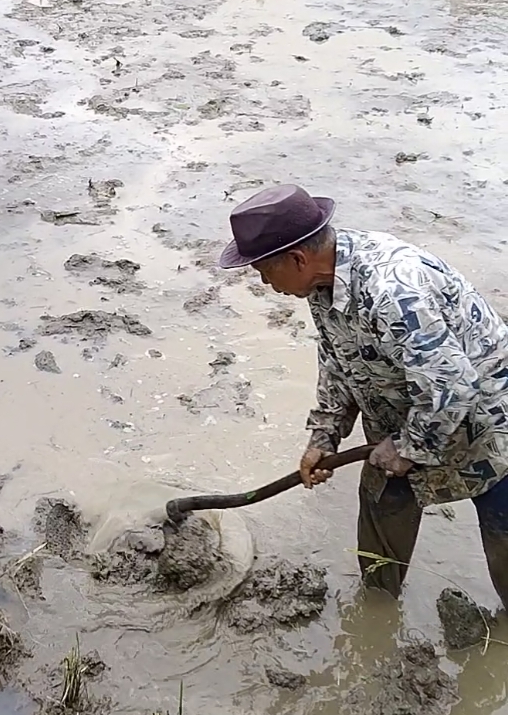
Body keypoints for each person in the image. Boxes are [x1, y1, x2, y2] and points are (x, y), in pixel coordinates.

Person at [218, 183, 508, 608]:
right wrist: (324, 435)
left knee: (503, 523)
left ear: (297, 258)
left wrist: (409, 447)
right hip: (405, 413)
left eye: (264, 271)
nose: (264, 282)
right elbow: (338, 360)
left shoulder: (395, 291)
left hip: (485, 416)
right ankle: (375, 611)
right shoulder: (321, 282)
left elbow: (452, 386)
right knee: (381, 505)